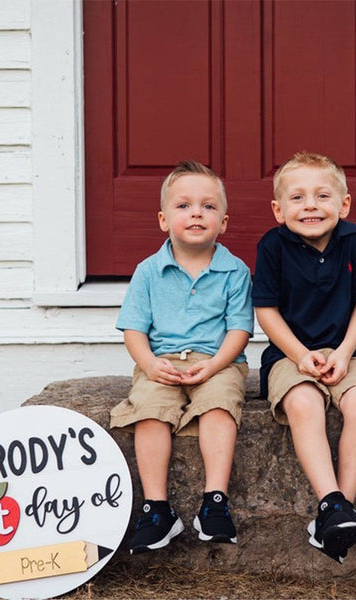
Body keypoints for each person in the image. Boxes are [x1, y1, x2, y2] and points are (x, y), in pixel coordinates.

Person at [251, 151, 356, 563]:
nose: (310, 205)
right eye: (297, 198)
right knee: (304, 401)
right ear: (279, 210)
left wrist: (347, 352)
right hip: (289, 353)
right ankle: (330, 500)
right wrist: (298, 355)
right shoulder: (272, 247)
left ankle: (339, 510)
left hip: (351, 348)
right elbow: (266, 310)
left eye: (322, 195)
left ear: (344, 204)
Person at [110, 160, 253, 554]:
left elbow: (239, 329)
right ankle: (158, 509)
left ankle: (215, 502)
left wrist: (218, 364)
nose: (196, 213)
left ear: (223, 222)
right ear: (163, 219)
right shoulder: (148, 272)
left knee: (219, 405)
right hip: (162, 360)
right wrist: (150, 363)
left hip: (217, 360)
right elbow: (134, 330)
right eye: (184, 205)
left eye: (208, 207)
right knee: (150, 409)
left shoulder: (235, 271)